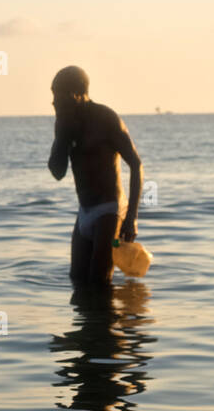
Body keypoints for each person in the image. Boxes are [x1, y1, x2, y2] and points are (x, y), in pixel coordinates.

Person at [47, 66, 143, 285]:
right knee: (77, 280)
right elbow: (57, 172)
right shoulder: (64, 123)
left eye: (57, 96)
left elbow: (136, 165)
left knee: (99, 283)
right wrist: (62, 137)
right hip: (85, 211)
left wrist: (131, 218)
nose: (53, 102)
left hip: (109, 211)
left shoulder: (106, 119)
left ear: (75, 94)